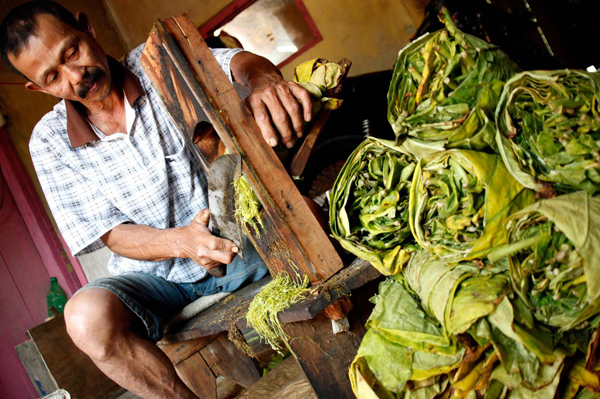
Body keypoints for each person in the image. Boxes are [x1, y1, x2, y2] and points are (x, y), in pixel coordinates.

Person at [0, 2, 314, 398]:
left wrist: (265, 80)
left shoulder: (156, 61)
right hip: (154, 281)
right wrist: (183, 241)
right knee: (84, 318)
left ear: (87, 28)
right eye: (53, 76)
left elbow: (238, 63)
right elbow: (113, 235)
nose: (76, 77)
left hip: (237, 242)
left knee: (313, 218)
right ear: (39, 88)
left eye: (72, 51)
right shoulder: (49, 143)